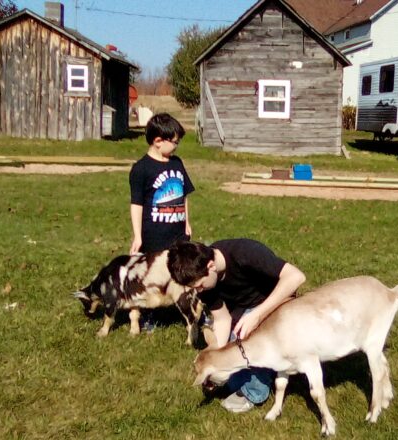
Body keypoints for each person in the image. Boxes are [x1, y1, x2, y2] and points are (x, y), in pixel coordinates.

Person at [167, 239, 306, 413]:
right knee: (232, 381)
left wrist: (257, 315)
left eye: (200, 285)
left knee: (248, 339)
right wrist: (215, 358)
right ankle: (269, 369)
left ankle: (255, 392)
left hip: (278, 302)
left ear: (211, 266)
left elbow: (296, 277)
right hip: (245, 312)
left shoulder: (244, 253)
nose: (199, 291)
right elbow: (222, 319)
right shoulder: (206, 280)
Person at [129, 113, 194, 330]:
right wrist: (138, 235)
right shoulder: (141, 169)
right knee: (153, 276)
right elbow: (137, 204)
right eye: (174, 142)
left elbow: (184, 195)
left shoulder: (176, 163)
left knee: (184, 271)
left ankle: (190, 311)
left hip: (177, 232)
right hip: (154, 234)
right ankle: (150, 315)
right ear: (158, 141)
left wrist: (187, 222)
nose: (176, 146)